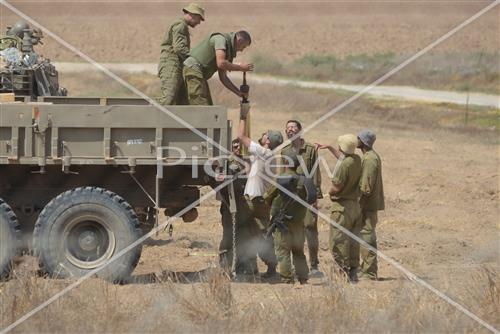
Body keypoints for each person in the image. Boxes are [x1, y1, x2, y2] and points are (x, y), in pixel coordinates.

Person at [237, 102, 282, 278]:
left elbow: (241, 136)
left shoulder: (264, 152)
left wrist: (242, 115)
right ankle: (266, 266)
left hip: (254, 199)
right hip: (260, 200)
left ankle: (269, 265)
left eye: (265, 134)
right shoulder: (268, 156)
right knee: (258, 233)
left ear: (268, 141)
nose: (262, 135)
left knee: (256, 234)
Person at [316, 134, 362, 282]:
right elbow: (344, 158)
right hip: (355, 206)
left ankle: (343, 270)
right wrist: (329, 148)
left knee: (338, 240)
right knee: (352, 239)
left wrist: (329, 192)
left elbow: (336, 187)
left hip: (341, 207)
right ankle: (354, 269)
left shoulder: (344, 166)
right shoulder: (356, 159)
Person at [280, 119, 323, 277]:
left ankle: (314, 265)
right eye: (288, 128)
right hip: (291, 197)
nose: (290, 130)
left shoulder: (310, 149)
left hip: (307, 194)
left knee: (311, 230)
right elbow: (282, 175)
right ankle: (295, 265)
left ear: (299, 130)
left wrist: (315, 198)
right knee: (293, 232)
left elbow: (315, 173)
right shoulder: (285, 151)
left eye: (293, 127)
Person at [264, 151, 310, 284]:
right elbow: (311, 198)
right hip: (299, 222)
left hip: (282, 222)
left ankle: (287, 279)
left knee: (283, 251)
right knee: (298, 251)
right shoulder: (304, 181)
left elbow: (267, 196)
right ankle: (303, 277)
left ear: (285, 163)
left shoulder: (280, 179)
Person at [183, 31, 253, 105]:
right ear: (239, 41)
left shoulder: (228, 50)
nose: (242, 50)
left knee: (208, 105)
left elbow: (223, 78)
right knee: (201, 105)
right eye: (243, 46)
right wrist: (240, 68)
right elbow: (221, 63)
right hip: (193, 69)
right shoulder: (221, 40)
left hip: (199, 74)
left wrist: (238, 92)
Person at [158, 3, 204, 106]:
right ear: (193, 15)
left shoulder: (182, 25)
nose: (199, 23)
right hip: (171, 64)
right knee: (168, 97)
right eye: (199, 19)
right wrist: (192, 60)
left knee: (180, 100)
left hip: (175, 64)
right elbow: (179, 48)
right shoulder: (180, 25)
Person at [218, 139, 252, 275]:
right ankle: (224, 266)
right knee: (228, 236)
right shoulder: (227, 161)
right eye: (235, 146)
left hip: (244, 203)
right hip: (230, 203)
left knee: (243, 235)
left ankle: (241, 265)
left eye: (240, 146)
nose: (237, 148)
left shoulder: (247, 161)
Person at [355, 129, 384, 281]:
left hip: (368, 205)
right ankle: (365, 268)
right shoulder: (369, 156)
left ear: (364, 142)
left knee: (367, 237)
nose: (356, 140)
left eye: (358, 138)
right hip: (368, 205)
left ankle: (370, 272)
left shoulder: (370, 159)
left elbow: (366, 187)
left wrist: (359, 203)